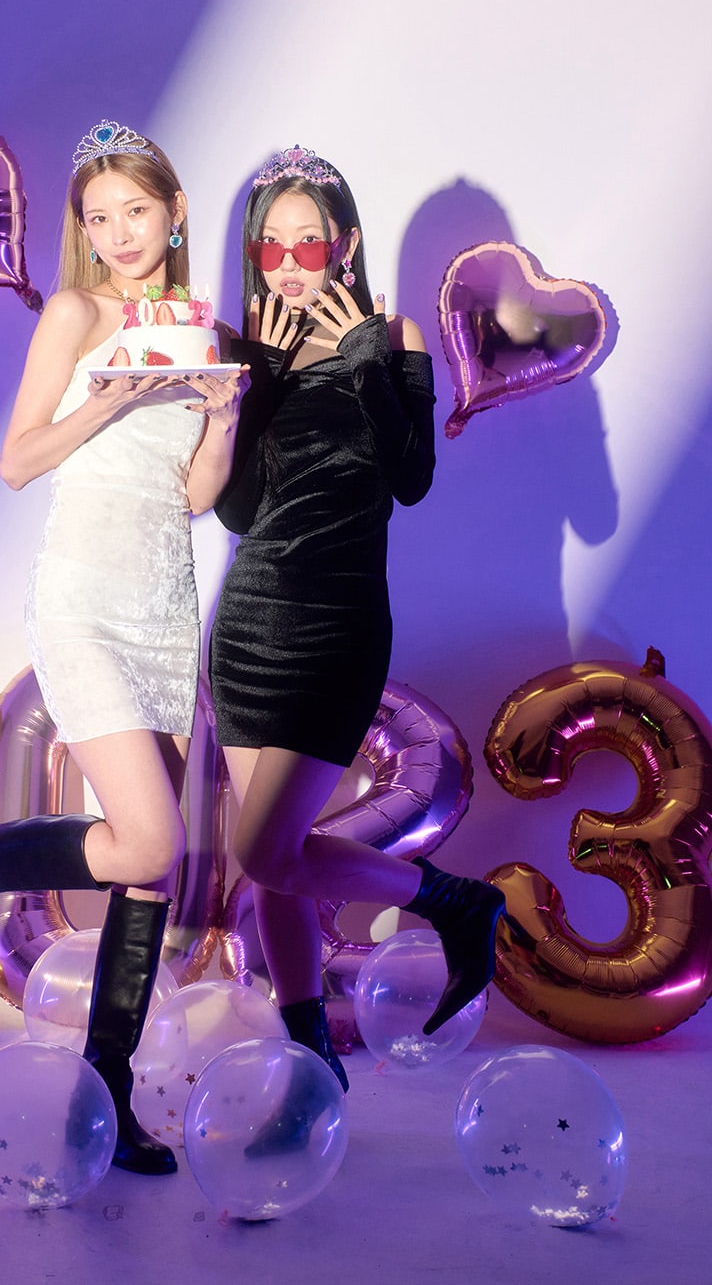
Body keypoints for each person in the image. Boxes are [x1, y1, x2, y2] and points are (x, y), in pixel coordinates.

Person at [0, 120, 248, 1175]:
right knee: (147, 841)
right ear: (83, 232)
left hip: (164, 607)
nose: (120, 233)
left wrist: (223, 416)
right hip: (84, 599)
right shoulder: (76, 314)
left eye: (137, 210)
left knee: (151, 876)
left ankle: (107, 1095)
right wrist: (110, 398)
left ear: (174, 214)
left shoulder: (200, 327)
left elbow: (191, 496)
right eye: (99, 217)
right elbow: (16, 459)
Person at [210, 146, 505, 1088]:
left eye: (310, 242)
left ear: (345, 244)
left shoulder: (395, 335)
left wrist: (370, 363)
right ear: (254, 255)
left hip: (337, 625)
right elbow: (237, 512)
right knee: (274, 865)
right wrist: (252, 386)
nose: (292, 263)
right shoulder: (247, 346)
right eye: (273, 247)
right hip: (248, 625)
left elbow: (410, 481)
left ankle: (452, 901)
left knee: (263, 848)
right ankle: (312, 1061)